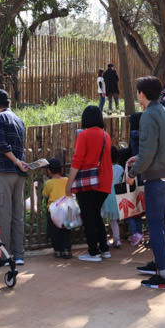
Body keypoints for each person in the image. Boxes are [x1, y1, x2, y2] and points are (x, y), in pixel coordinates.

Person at [127, 76, 165, 290]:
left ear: (143, 93)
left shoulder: (148, 115)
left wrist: (133, 171)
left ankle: (164, 275)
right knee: (158, 223)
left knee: (155, 225)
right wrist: (139, 160)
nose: (137, 94)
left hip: (157, 177)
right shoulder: (164, 111)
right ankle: (159, 264)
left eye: (138, 91)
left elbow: (149, 151)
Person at [64, 106, 113, 262]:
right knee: (96, 214)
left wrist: (68, 184)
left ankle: (93, 252)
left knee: (88, 216)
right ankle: (104, 249)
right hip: (104, 182)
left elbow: (77, 161)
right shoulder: (106, 135)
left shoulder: (84, 135)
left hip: (88, 183)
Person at [0, 89, 29, 266]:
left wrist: (14, 161)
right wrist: (20, 163)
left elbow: (2, 145)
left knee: (2, 215)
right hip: (19, 174)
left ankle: (4, 255)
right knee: (18, 215)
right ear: (10, 103)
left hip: (4, 172)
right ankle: (19, 254)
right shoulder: (19, 120)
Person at [42, 157, 71, 258]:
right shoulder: (67, 180)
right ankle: (67, 250)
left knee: (55, 231)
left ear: (49, 171)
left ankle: (58, 250)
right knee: (66, 230)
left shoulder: (48, 183)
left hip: (54, 211)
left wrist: (46, 182)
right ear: (62, 170)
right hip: (67, 209)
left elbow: (45, 195)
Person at [125, 111, 144, 245]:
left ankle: (135, 233)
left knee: (132, 204)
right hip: (145, 170)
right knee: (140, 203)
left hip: (135, 171)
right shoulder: (145, 135)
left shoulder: (134, 134)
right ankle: (140, 231)